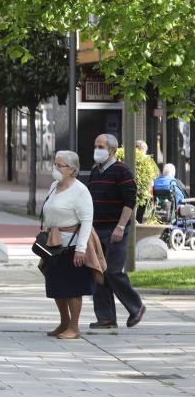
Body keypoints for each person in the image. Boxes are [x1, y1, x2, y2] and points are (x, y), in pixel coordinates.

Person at [39, 151, 105, 339]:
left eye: (60, 165)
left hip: (72, 244)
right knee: (56, 285)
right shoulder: (53, 186)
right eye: (55, 164)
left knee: (73, 286)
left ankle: (74, 327)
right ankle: (64, 322)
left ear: (72, 169)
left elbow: (86, 221)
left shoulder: (80, 191)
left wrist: (81, 249)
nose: (56, 168)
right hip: (54, 243)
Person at [87, 134, 146, 329]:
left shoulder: (122, 171)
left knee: (112, 272)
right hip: (96, 231)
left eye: (101, 146)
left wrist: (120, 227)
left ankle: (136, 306)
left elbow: (130, 201)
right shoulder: (96, 172)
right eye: (96, 145)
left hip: (115, 230)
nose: (97, 149)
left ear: (112, 150)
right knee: (99, 273)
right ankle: (106, 318)